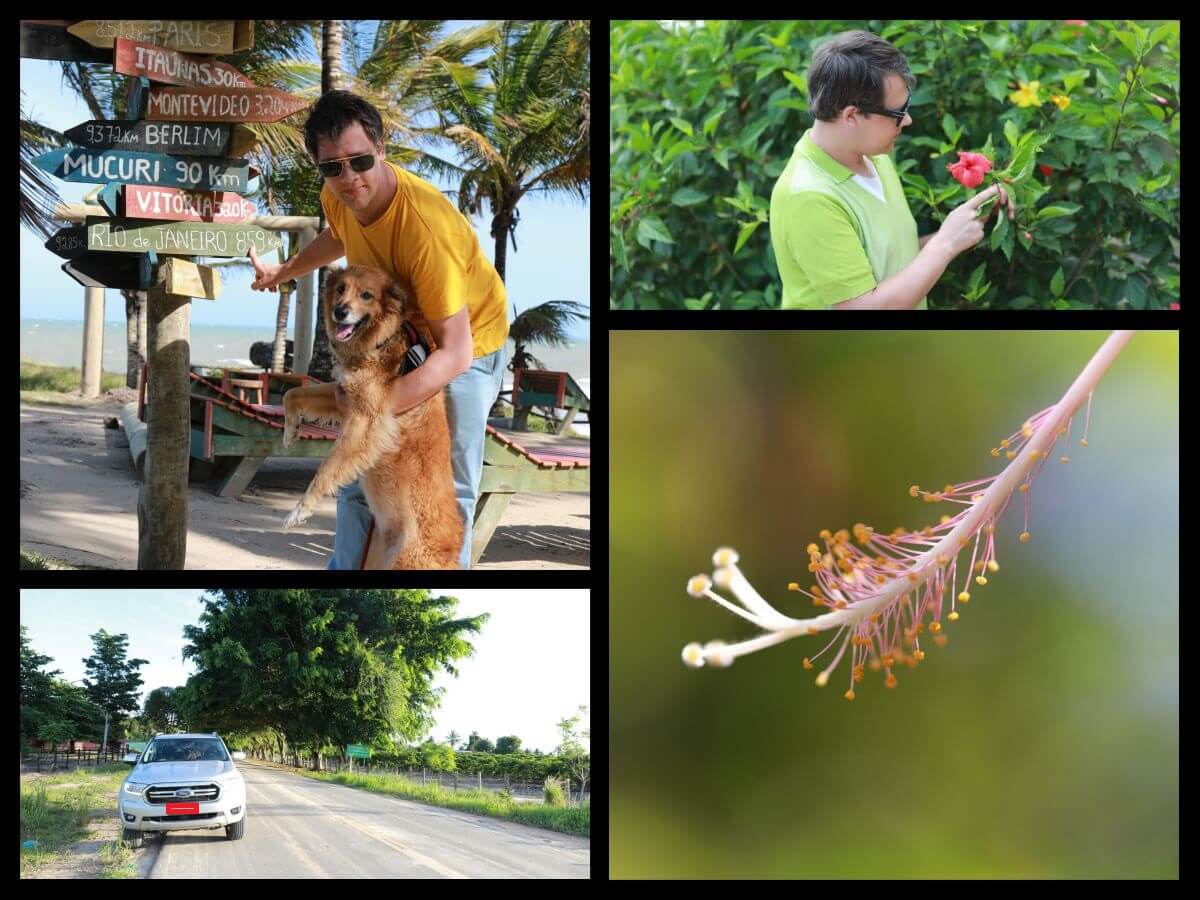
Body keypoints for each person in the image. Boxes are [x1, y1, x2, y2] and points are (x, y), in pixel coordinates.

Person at [248, 90, 509, 568]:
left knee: (451, 487)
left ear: (381, 148)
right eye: (333, 166)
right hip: (404, 342)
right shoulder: (337, 194)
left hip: (470, 343)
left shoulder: (426, 229)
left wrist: (375, 409)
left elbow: (456, 354)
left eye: (359, 161)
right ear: (319, 164)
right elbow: (338, 235)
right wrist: (284, 273)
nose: (348, 178)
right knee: (356, 476)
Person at [769, 30, 1016, 310]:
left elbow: (892, 262)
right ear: (851, 116)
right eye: (898, 113)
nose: (908, 120)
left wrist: (964, 227)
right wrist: (945, 243)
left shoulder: (875, 158)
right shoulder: (807, 196)